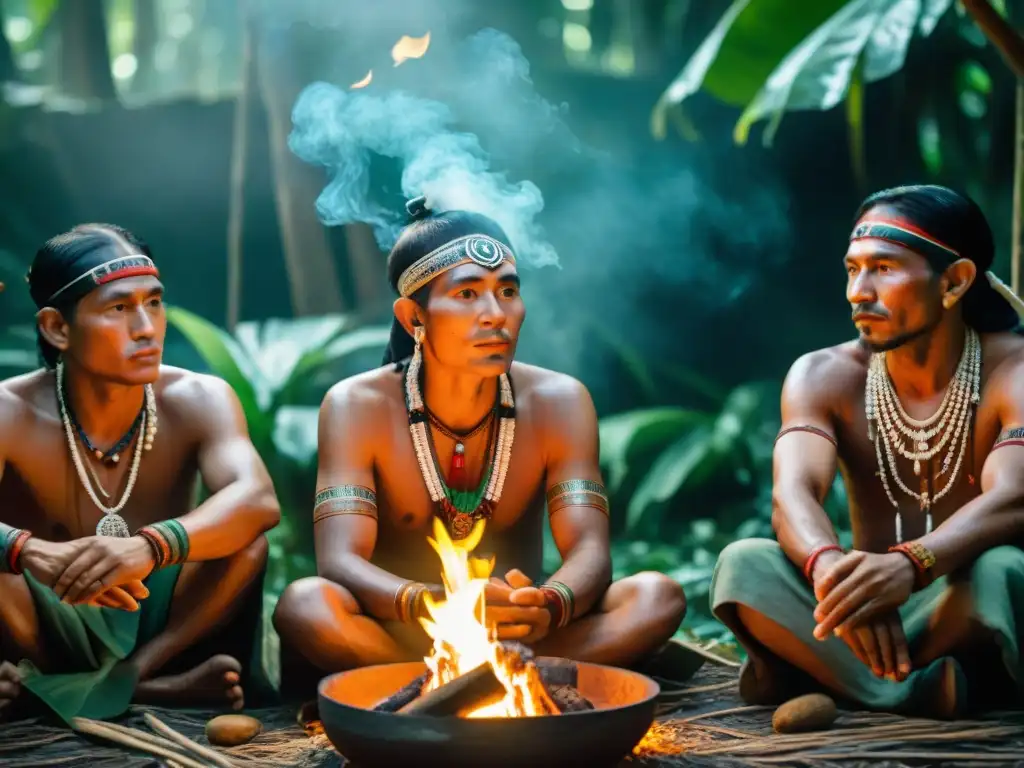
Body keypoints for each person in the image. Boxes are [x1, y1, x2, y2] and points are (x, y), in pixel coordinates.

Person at [273, 197, 690, 696]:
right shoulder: (357, 406)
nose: (496, 315)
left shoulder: (560, 401)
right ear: (412, 317)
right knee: (306, 605)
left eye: (507, 291)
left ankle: (464, 689)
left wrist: (549, 604)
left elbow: (590, 550)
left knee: (655, 596)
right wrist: (438, 605)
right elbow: (340, 563)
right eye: (468, 294)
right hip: (403, 636)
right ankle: (469, 687)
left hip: (523, 635)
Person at [711, 185, 1024, 717]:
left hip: (955, 602)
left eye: (883, 268)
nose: (858, 290)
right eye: (852, 270)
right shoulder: (824, 375)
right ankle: (915, 689)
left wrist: (911, 566)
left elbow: (1014, 496)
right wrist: (832, 572)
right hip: (859, 610)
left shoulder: (1012, 370)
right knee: (744, 565)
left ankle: (837, 676)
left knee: (1003, 572)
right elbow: (793, 494)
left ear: (954, 281)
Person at [0, 224, 280, 723]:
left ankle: (134, 678)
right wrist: (31, 551)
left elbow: (256, 497)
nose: (147, 327)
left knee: (244, 538)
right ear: (57, 329)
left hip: (153, 611)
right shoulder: (9, 411)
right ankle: (121, 688)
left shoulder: (198, 397)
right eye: (118, 308)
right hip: (48, 616)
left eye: (154, 303)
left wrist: (147, 546)